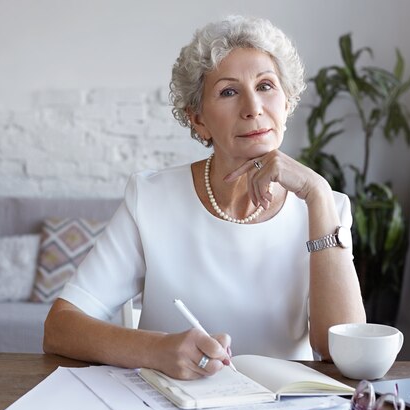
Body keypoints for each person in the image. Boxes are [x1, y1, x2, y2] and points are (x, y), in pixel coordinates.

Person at [43, 15, 365, 380]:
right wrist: (156, 350)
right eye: (229, 91)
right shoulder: (151, 199)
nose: (253, 107)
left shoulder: (328, 207)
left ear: (288, 103)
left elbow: (342, 354)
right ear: (197, 119)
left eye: (265, 86)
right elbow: (59, 327)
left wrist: (318, 194)